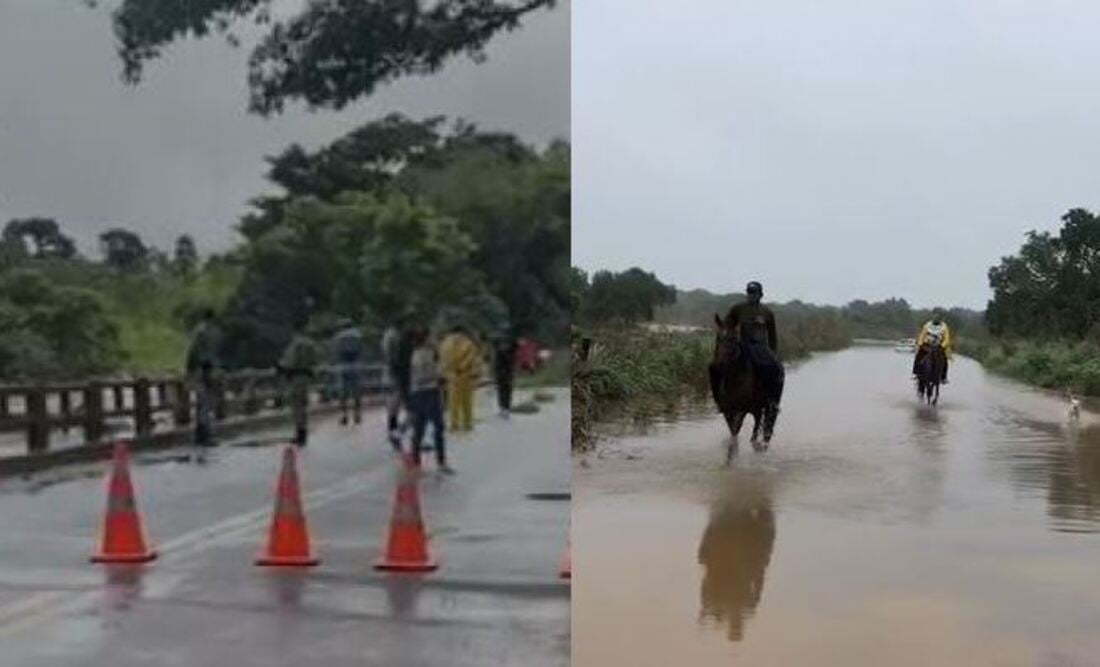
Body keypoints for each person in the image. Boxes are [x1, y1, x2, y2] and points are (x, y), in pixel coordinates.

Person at [724, 281, 785, 416]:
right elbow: (727, 325)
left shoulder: (767, 313)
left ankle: (772, 402)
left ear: (760, 295)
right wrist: (731, 336)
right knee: (721, 367)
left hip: (760, 348)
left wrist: (773, 353)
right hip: (742, 345)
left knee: (775, 369)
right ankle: (723, 401)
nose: (751, 295)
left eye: (754, 293)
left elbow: (772, 336)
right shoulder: (738, 309)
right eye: (749, 293)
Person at [407, 326, 453, 474]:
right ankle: (440, 462)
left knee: (420, 427)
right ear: (426, 339)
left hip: (419, 393)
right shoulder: (424, 354)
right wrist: (438, 378)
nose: (434, 340)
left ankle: (416, 459)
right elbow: (423, 376)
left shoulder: (420, 353)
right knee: (438, 427)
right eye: (431, 337)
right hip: (428, 392)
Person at [185, 308, 221, 448]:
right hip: (205, 369)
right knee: (205, 403)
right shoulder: (209, 332)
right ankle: (205, 434)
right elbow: (208, 353)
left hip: (200, 369)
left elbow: (192, 353)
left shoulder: (199, 331)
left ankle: (201, 434)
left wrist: (189, 370)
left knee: (202, 403)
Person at [279, 319, 319, 447]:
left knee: (297, 406)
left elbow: (289, 361)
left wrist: (281, 369)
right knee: (303, 405)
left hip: (296, 376)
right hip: (306, 376)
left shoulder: (296, 344)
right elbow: (315, 360)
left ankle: (300, 433)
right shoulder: (311, 344)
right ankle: (303, 432)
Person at [440, 325, 482, 431]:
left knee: (453, 401)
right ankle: (467, 423)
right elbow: (471, 357)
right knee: (466, 401)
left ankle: (454, 424)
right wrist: (462, 367)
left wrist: (446, 372)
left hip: (451, 375)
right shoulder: (468, 343)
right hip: (464, 374)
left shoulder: (445, 343)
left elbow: (442, 359)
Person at [331, 318, 365, 425]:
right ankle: (357, 414)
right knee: (356, 391)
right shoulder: (358, 335)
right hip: (355, 364)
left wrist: (334, 362)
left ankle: (344, 415)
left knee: (342, 392)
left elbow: (335, 351)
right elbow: (361, 349)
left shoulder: (338, 336)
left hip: (342, 365)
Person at [912, 309, 953, 384]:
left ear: (940, 318)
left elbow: (947, 338)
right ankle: (916, 372)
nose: (936, 318)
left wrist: (942, 346)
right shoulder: (927, 325)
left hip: (939, 346)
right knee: (919, 355)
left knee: (944, 359)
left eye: (938, 317)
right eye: (934, 317)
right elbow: (922, 335)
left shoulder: (944, 327)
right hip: (927, 345)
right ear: (932, 317)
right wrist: (921, 344)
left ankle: (943, 377)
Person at [493, 331, 518, 418]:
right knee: (504, 391)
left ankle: (504, 408)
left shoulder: (505, 352)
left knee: (504, 391)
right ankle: (504, 408)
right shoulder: (507, 352)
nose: (504, 346)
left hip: (504, 374)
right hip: (504, 374)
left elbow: (515, 344)